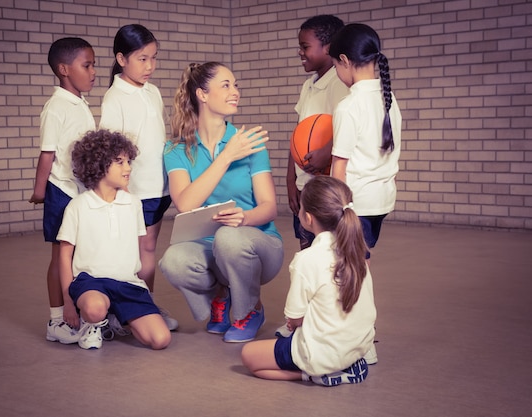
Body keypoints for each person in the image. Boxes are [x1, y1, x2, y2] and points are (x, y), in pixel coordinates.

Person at [159, 62, 284, 343]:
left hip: (259, 244)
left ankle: (250, 310)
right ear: (202, 94)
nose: (235, 92)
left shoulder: (249, 143)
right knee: (173, 261)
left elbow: (269, 207)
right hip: (210, 247)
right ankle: (222, 295)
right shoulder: (175, 150)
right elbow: (185, 203)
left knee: (229, 237)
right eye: (226, 85)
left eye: (235, 85)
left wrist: (244, 218)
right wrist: (226, 156)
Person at [241, 176, 377, 386]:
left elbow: (294, 318)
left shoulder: (307, 259)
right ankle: (344, 367)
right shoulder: (358, 254)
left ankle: (318, 374)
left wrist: (295, 324)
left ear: (308, 218)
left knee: (249, 355)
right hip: (357, 347)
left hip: (322, 353)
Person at [57, 129, 172, 350]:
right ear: (98, 165)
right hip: (91, 283)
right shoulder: (78, 206)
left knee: (161, 340)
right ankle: (92, 322)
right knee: (94, 308)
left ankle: (116, 317)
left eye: (128, 161)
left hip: (128, 284)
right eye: (119, 162)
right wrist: (68, 302)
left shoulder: (133, 204)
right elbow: (65, 255)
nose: (128, 168)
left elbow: (137, 253)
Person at [99, 24, 178, 332]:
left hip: (159, 186)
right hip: (135, 190)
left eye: (153, 58)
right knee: (135, 253)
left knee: (148, 250)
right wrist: (124, 192)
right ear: (122, 58)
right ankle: (132, 311)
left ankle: (146, 307)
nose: (150, 66)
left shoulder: (153, 91)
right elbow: (112, 149)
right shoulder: (114, 97)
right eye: (142, 59)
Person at [29, 37, 96, 344]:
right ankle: (56, 320)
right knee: (60, 259)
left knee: (79, 256)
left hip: (81, 192)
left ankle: (80, 314)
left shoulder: (79, 103)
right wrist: (40, 191)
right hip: (60, 191)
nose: (94, 71)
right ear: (64, 69)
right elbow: (48, 153)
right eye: (87, 65)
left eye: (93, 64)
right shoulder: (56, 107)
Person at [328, 23, 402, 260]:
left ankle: (360, 299)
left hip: (356, 203)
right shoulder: (389, 97)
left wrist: (335, 210)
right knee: (360, 260)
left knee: (350, 268)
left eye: (335, 66)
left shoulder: (349, 106)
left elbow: (339, 167)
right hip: (382, 200)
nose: (337, 73)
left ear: (344, 60)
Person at [287, 15, 349, 252]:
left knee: (331, 252)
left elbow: (348, 128)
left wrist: (326, 152)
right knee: (307, 247)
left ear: (328, 47)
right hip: (305, 185)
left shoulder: (339, 83)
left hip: (327, 189)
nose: (300, 52)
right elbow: (298, 134)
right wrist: (290, 180)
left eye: (305, 47)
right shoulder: (308, 85)